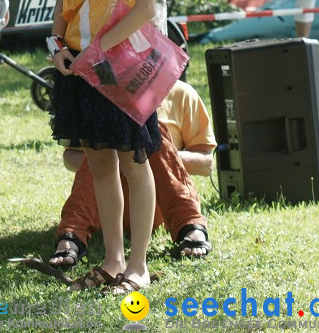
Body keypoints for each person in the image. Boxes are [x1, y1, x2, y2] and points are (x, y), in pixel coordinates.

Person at [46, 0, 160, 294]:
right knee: (98, 164)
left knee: (134, 161)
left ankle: (137, 265)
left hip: (122, 68)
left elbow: (147, 8)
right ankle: (112, 261)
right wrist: (57, 44)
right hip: (80, 68)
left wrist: (99, 49)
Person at [48, 80, 215, 271]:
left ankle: (189, 224)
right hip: (105, 203)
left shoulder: (183, 93)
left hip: (157, 199)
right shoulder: (99, 92)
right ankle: (72, 233)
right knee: (102, 144)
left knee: (152, 135)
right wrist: (116, 157)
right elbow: (70, 157)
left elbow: (206, 164)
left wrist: (148, 155)